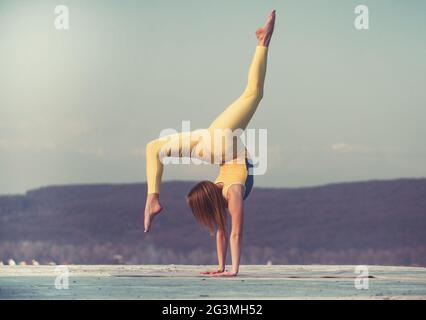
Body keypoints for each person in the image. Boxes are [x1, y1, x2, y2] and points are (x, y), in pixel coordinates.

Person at [144, 10, 276, 276]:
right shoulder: (224, 193)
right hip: (210, 149)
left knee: (253, 94)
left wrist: (233, 270)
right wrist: (220, 267)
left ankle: (263, 42)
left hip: (219, 144)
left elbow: (236, 233)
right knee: (154, 148)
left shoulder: (233, 193)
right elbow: (224, 232)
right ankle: (152, 199)